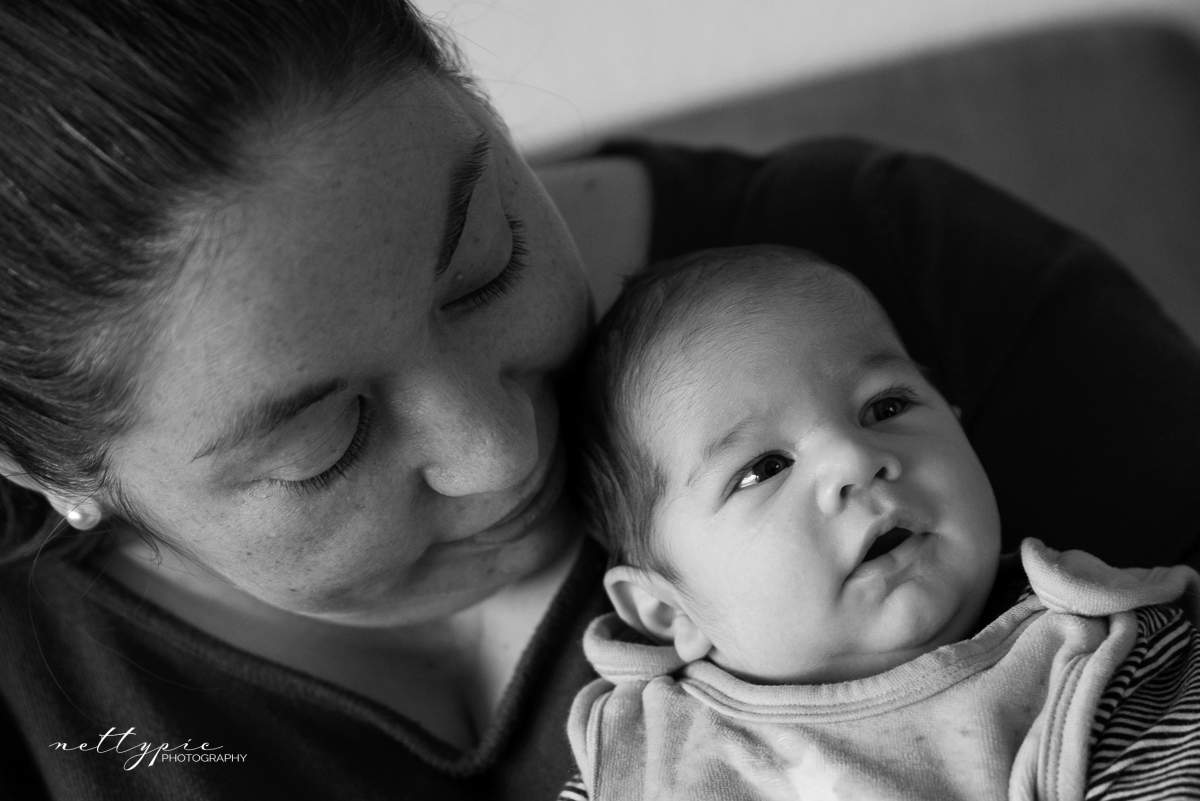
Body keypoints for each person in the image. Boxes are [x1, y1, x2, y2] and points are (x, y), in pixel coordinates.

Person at [2, 1, 1200, 798]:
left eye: (487, 266)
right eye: (328, 441)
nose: (502, 452)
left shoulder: (889, 272)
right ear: (50, 469)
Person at [565, 245, 1200, 799]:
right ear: (668, 610)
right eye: (764, 469)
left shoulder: (1097, 657)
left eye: (886, 406)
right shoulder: (637, 753)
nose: (854, 459)